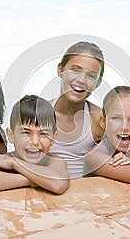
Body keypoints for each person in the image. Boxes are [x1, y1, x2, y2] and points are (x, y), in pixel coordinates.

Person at [0, 95, 69, 194]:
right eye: (26, 133)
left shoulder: (55, 161)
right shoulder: (1, 161)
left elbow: (58, 183)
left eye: (43, 134)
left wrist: (13, 163)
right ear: (11, 135)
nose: (34, 141)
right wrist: (34, 180)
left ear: (53, 138)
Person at [49, 41, 105, 179]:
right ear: (60, 70)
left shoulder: (98, 119)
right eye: (75, 70)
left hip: (84, 196)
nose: (81, 80)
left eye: (91, 76)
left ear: (97, 83)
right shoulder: (38, 113)